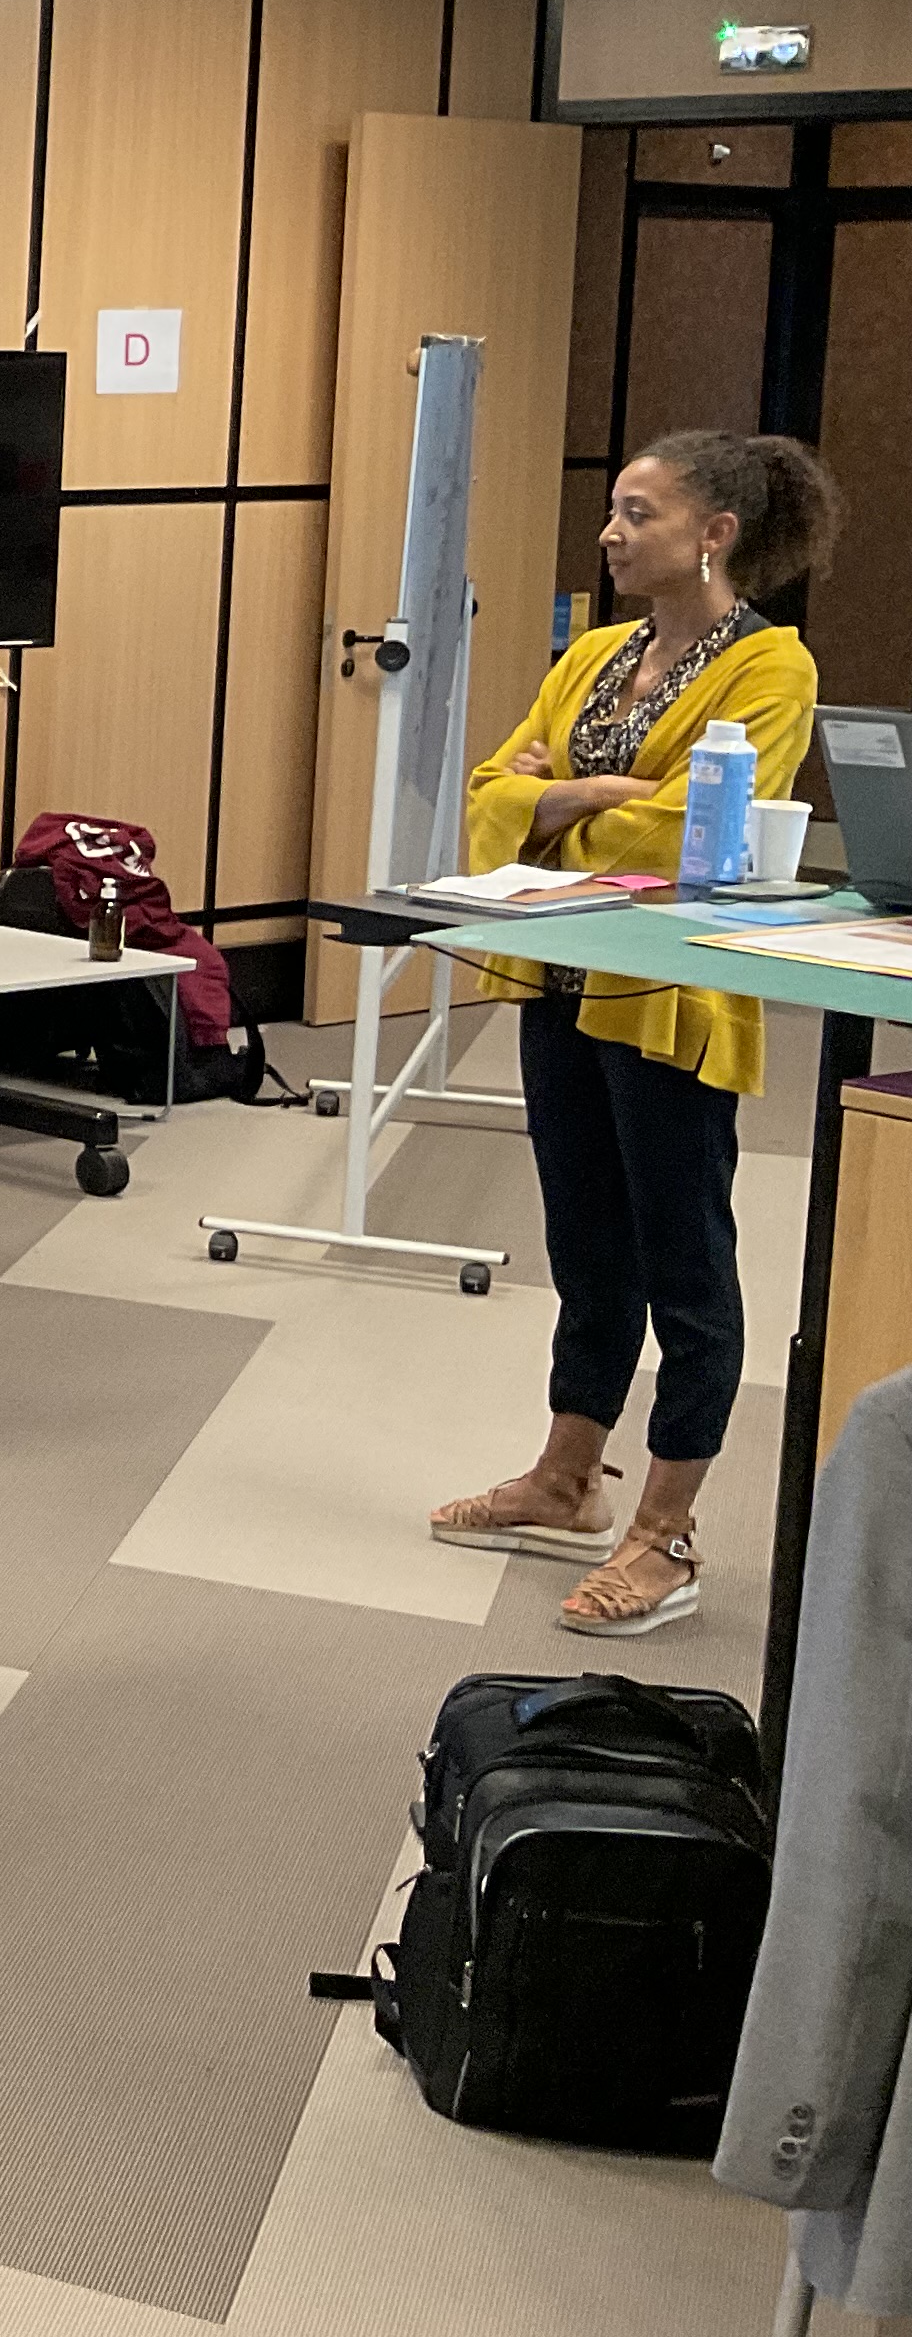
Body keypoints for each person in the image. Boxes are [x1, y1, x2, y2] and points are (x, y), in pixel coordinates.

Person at [430, 430, 840, 1638]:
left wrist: (558, 810)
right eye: (613, 510)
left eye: (638, 513)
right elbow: (489, 800)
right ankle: (567, 1478)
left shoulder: (771, 667)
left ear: (715, 535)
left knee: (685, 1265)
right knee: (585, 1244)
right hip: (559, 978)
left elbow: (692, 841)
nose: (610, 534)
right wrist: (580, 796)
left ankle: (667, 1531)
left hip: (670, 996)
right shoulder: (594, 655)